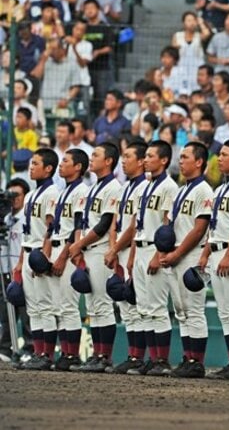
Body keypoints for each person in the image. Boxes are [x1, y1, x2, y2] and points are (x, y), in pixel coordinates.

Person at [158, 142, 214, 379]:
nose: (180, 161)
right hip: (175, 253)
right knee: (181, 310)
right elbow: (169, 225)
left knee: (194, 309)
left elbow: (199, 229)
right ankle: (187, 358)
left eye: (185, 157)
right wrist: (165, 250)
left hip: (190, 254)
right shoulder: (181, 190)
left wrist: (177, 253)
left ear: (199, 162)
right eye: (179, 157)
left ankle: (196, 362)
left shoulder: (204, 190)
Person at [196, 140, 229, 380]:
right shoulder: (220, 189)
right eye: (219, 154)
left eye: (225, 154)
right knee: (225, 312)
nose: (219, 158)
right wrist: (206, 252)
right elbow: (215, 224)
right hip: (216, 249)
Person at [66, 143, 122, 372]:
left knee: (102, 304)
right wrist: (78, 247)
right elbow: (81, 221)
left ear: (108, 161)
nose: (92, 158)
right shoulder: (92, 188)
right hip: (88, 250)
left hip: (99, 249)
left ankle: (104, 357)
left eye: (96, 155)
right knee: (92, 306)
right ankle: (97, 355)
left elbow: (105, 223)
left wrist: (79, 244)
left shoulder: (114, 187)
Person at [128, 141, 179, 376]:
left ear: (164, 160)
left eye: (150, 156)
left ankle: (162, 360)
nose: (145, 160)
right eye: (145, 156)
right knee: (144, 309)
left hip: (154, 249)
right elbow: (135, 224)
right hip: (140, 247)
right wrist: (131, 256)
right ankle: (151, 358)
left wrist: (159, 255)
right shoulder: (144, 187)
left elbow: (167, 225)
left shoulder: (170, 187)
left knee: (157, 308)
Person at [101, 141, 149, 374]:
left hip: (133, 249)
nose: (123, 160)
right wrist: (112, 248)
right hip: (119, 250)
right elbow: (115, 222)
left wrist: (116, 248)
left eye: (128, 156)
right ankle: (132, 356)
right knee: (125, 307)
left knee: (136, 303)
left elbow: (134, 226)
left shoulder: (144, 188)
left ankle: (140, 357)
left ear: (141, 161)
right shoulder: (124, 188)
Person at [42, 148, 89, 372]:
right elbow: (52, 227)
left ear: (78, 166)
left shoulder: (82, 190)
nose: (61, 164)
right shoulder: (62, 191)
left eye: (66, 161)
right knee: (58, 306)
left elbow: (78, 226)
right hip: (56, 247)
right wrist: (46, 254)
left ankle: (72, 355)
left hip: (69, 251)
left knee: (69, 306)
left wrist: (63, 256)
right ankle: (65, 352)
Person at [14, 148, 61, 368]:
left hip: (40, 253)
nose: (31, 167)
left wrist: (43, 257)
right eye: (31, 163)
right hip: (28, 249)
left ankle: (47, 356)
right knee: (33, 308)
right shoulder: (31, 195)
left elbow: (51, 228)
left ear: (48, 168)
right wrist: (21, 262)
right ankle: (38, 352)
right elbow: (27, 232)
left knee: (45, 305)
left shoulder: (53, 192)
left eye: (36, 163)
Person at [0, 179, 32, 362]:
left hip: (21, 271)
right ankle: (5, 347)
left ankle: (29, 348)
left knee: (25, 312)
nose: (13, 200)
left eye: (17, 195)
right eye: (10, 195)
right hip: (4, 269)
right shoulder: (4, 218)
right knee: (5, 311)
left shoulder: (26, 218)